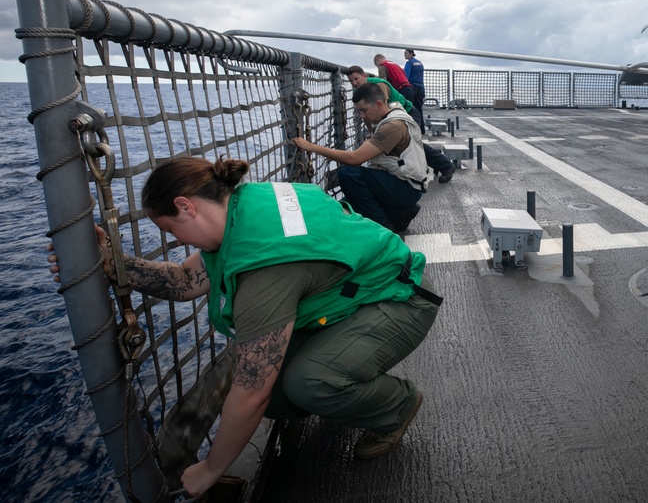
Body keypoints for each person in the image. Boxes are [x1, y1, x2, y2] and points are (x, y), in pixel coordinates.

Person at [49, 156, 441, 498]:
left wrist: (211, 469)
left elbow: (252, 390)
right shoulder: (244, 208)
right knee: (276, 397)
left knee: (306, 382)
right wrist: (113, 261)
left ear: (186, 207)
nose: (174, 239)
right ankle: (343, 387)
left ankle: (396, 405)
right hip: (354, 296)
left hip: (398, 299)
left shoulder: (264, 264)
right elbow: (183, 282)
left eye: (170, 229)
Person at [294, 82, 431, 232]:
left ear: (379, 104)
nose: (362, 116)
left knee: (348, 174)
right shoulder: (392, 111)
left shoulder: (392, 126)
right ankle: (399, 214)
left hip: (407, 187)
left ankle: (383, 228)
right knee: (345, 205)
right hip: (407, 183)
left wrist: (310, 147)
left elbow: (355, 159)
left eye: (364, 110)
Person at [343, 65, 456, 183]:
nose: (354, 83)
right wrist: (372, 132)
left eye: (356, 79)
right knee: (403, 145)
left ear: (364, 76)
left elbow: (383, 108)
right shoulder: (360, 92)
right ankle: (437, 164)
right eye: (351, 81)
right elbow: (367, 117)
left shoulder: (379, 85)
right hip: (394, 117)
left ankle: (446, 166)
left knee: (412, 142)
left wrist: (376, 133)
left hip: (408, 112)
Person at [374, 53, 423, 132]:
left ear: (377, 61)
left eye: (376, 65)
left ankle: (403, 133)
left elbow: (383, 81)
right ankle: (416, 131)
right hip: (409, 88)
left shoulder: (382, 66)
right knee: (410, 111)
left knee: (401, 113)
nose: (377, 67)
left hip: (402, 89)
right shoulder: (394, 64)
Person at [403, 49, 426, 133]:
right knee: (419, 109)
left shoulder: (409, 63)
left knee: (411, 109)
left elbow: (406, 77)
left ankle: (414, 129)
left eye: (406, 53)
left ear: (411, 54)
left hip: (413, 88)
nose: (404, 55)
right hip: (420, 88)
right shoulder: (420, 63)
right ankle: (421, 128)